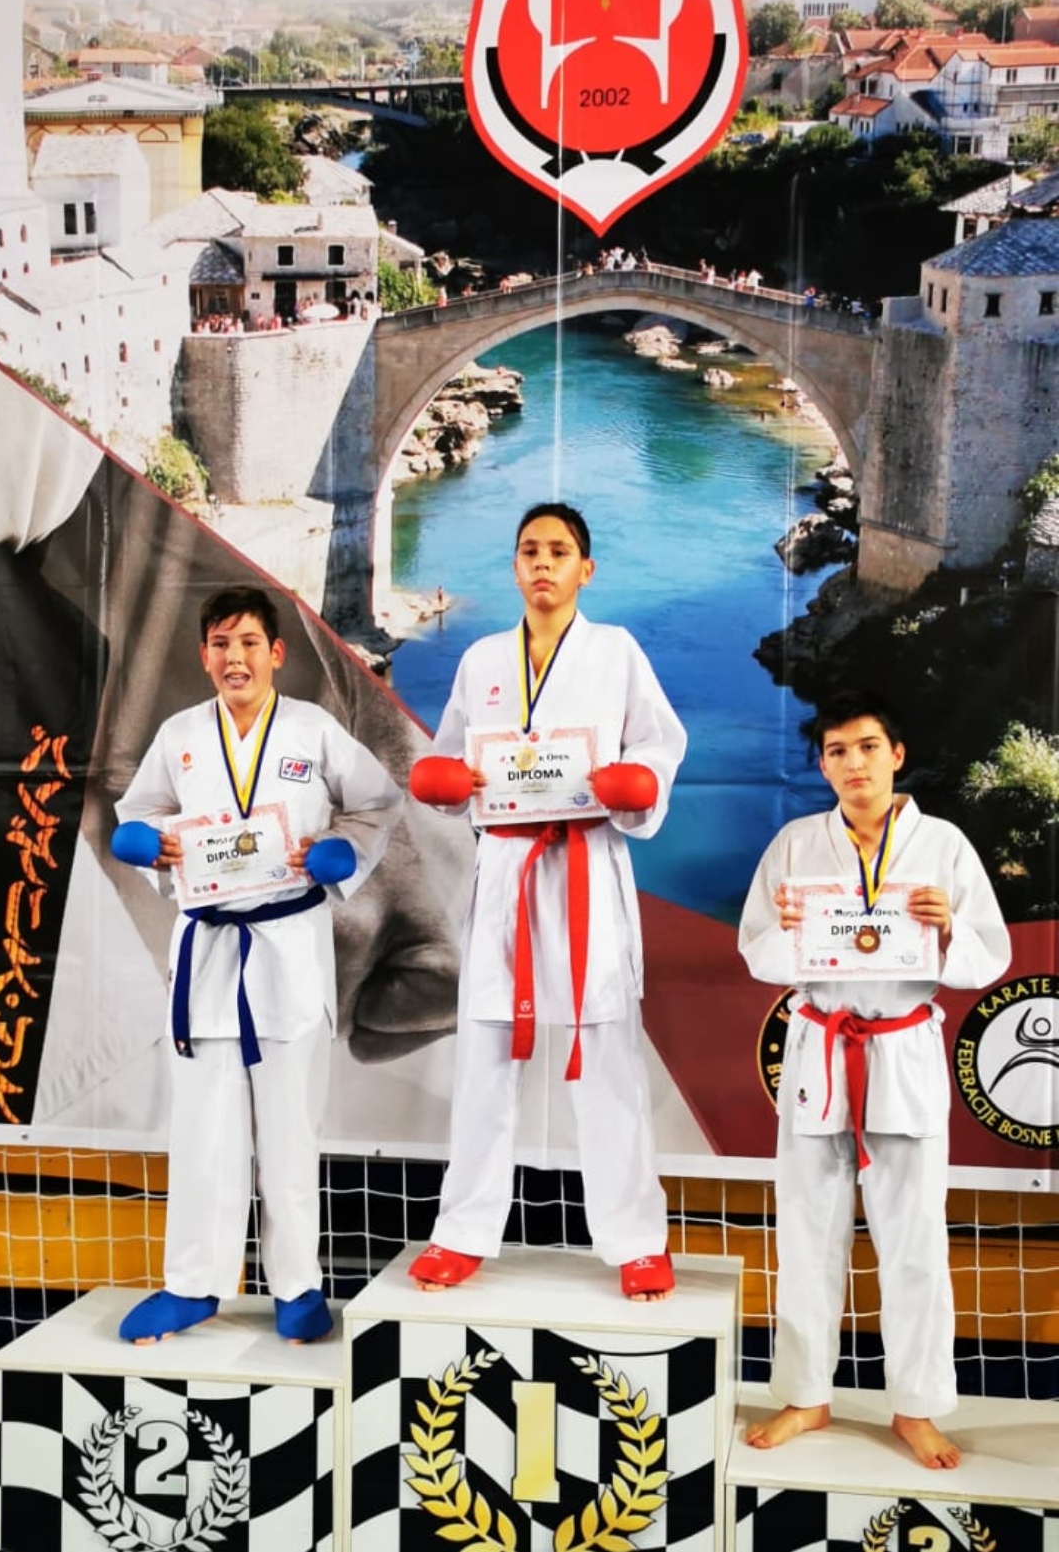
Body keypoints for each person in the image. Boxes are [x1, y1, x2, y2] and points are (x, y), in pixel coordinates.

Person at [405, 502, 686, 1301]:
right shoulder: (482, 659)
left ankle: (636, 1240)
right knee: (485, 1056)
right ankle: (462, 1231)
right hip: (505, 870)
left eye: (558, 551)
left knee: (607, 1059)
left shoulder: (616, 651)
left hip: (586, 866)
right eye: (529, 549)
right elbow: (449, 759)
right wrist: (447, 783)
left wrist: (639, 784)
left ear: (585, 569)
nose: (542, 563)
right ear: (515, 566)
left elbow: (659, 742)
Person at [111, 583, 404, 1346]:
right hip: (208, 949)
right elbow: (136, 813)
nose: (234, 657)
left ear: (275, 652)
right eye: (220, 644)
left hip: (287, 948)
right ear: (203, 656)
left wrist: (342, 851)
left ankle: (297, 1287)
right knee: (202, 1130)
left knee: (289, 1130)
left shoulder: (312, 730)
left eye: (247, 642)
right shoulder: (180, 733)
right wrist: (150, 845)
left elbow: (376, 802)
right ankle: (193, 1284)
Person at [738, 689, 1010, 1470]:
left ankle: (915, 1406)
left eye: (866, 747)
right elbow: (755, 947)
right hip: (820, 1047)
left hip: (902, 1050)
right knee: (805, 1232)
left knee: (915, 1237)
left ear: (896, 754)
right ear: (823, 766)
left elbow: (988, 953)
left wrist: (949, 926)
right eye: (836, 751)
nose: (852, 762)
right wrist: (788, 932)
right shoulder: (796, 843)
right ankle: (806, 1394)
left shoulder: (944, 845)